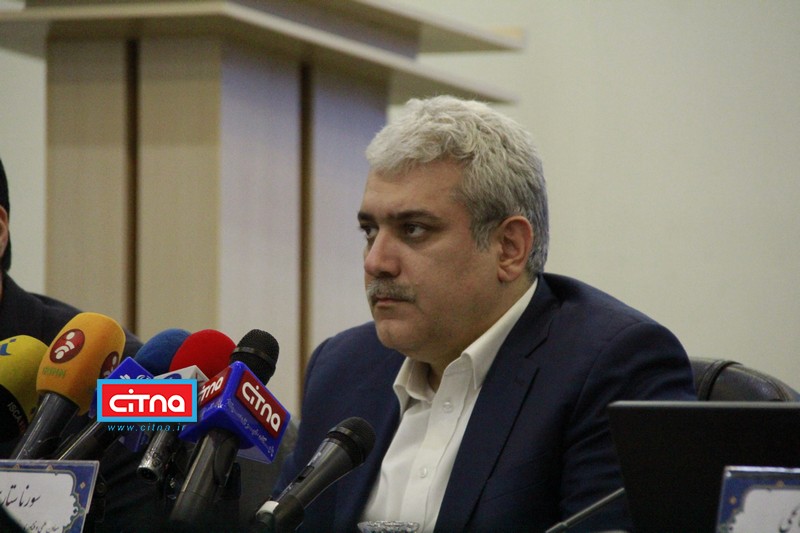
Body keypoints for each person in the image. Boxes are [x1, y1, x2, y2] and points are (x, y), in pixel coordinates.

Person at [273, 95, 697, 532]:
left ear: (509, 248)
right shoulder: (343, 368)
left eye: (413, 229)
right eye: (369, 231)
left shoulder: (613, 368)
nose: (376, 261)